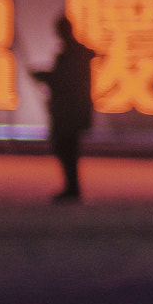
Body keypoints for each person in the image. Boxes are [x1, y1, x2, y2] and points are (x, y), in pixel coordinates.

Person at [31, 15, 94, 202]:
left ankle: (72, 187)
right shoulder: (73, 53)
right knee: (66, 149)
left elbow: (66, 80)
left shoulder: (74, 54)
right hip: (70, 110)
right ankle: (71, 186)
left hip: (70, 111)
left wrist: (45, 77)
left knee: (67, 149)